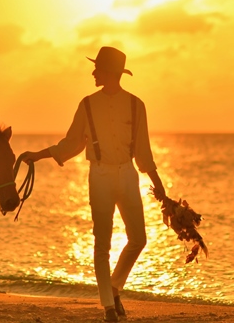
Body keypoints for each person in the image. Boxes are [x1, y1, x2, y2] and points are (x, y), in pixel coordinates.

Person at [22, 47, 164, 322]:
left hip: (128, 173)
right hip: (99, 175)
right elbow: (71, 143)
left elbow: (144, 152)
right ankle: (108, 306)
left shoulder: (137, 105)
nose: (93, 72)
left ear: (111, 73)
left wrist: (161, 189)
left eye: (97, 68)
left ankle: (113, 287)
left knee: (139, 239)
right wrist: (37, 156)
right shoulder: (87, 104)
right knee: (102, 243)